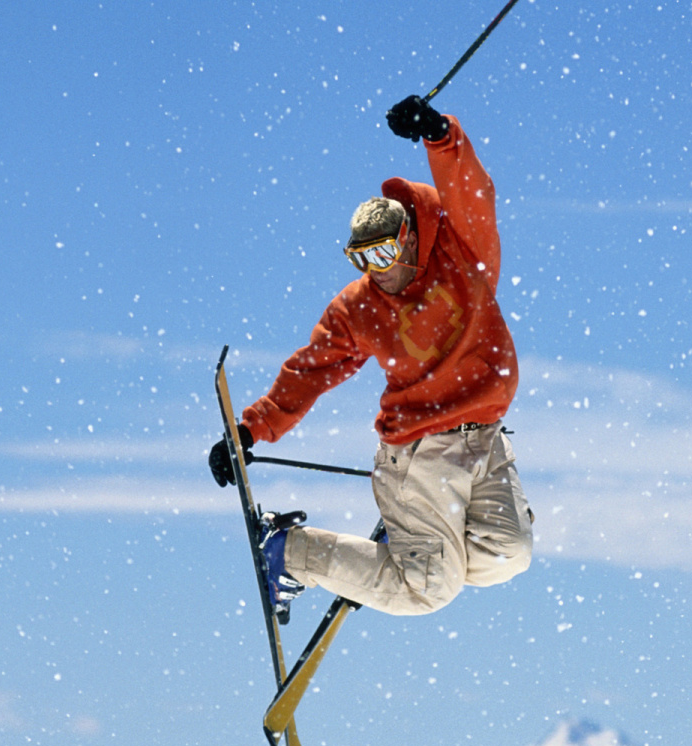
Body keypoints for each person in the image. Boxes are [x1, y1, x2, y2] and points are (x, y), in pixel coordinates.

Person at [208, 95, 533, 617]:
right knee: (428, 590)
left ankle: (403, 557)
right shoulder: (360, 306)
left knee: (508, 553)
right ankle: (291, 553)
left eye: (382, 254)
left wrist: (438, 133)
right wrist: (251, 430)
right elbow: (311, 370)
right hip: (419, 452)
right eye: (361, 259)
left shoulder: (462, 253)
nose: (376, 270)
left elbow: (473, 193)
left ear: (408, 240)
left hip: (484, 438)